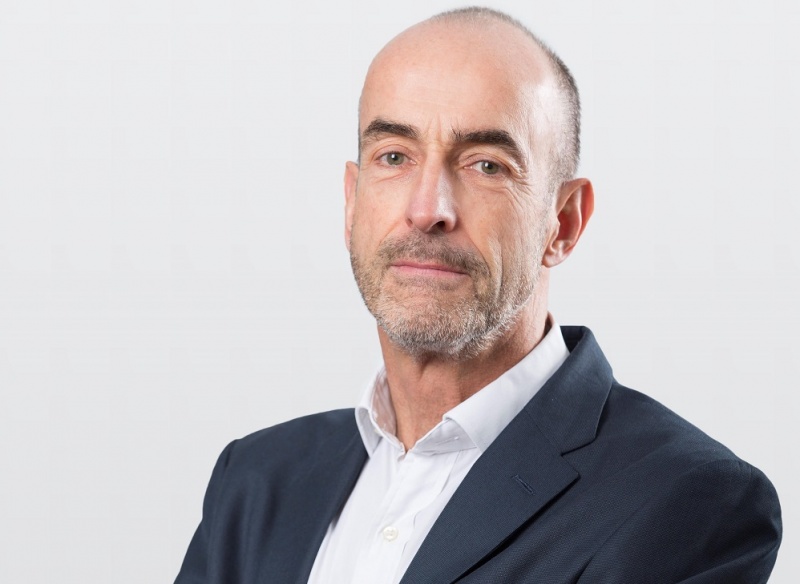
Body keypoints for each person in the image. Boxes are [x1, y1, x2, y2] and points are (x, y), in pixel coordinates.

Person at [175, 7, 782, 583]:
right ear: (351, 202)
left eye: (487, 165)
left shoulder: (687, 501)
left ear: (564, 223)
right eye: (394, 156)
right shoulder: (254, 480)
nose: (427, 210)